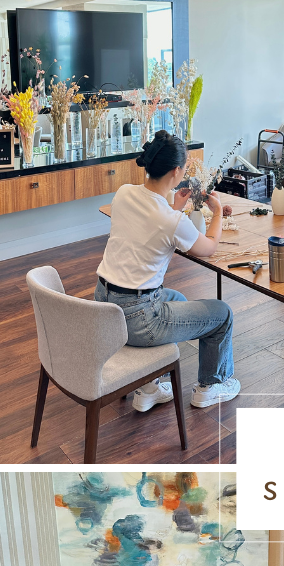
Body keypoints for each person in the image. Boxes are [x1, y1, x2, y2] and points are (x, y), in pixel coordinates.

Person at [95, 130, 240, 412]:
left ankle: (149, 386)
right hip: (139, 319)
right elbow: (208, 247)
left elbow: (147, 224)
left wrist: (175, 206)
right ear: (177, 171)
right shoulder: (171, 221)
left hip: (104, 306)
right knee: (222, 314)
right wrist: (219, 212)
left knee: (176, 299)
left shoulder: (124, 193)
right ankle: (211, 386)